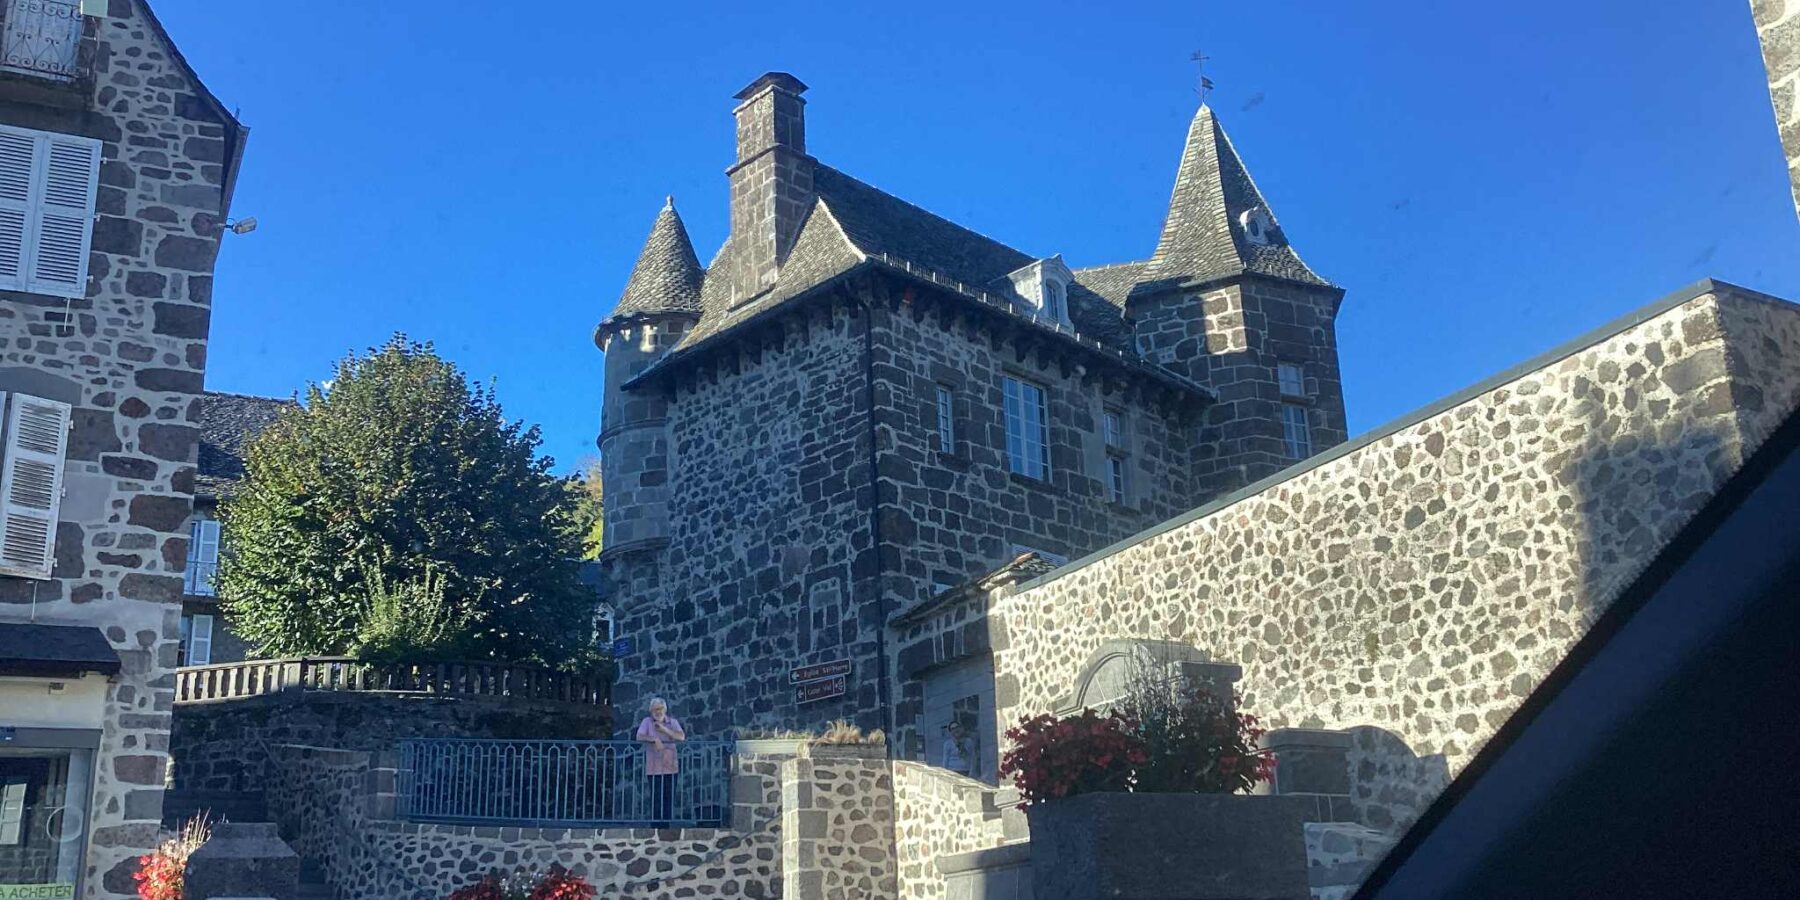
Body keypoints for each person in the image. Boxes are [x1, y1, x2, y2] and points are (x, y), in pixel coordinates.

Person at [634, 697, 685, 825]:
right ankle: (656, 828)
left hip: (670, 767)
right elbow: (639, 736)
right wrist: (654, 740)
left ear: (665, 710)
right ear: (651, 711)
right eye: (655, 709)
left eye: (660, 709)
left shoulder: (672, 722)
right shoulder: (647, 722)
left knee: (668, 798)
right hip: (654, 768)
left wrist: (663, 729)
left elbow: (681, 737)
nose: (658, 712)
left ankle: (666, 828)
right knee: (656, 799)